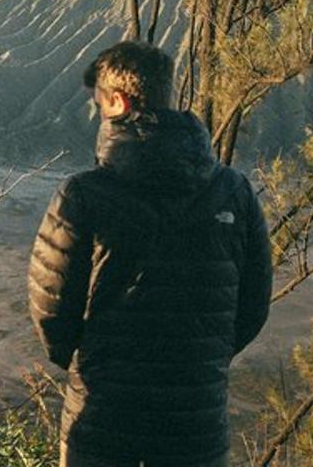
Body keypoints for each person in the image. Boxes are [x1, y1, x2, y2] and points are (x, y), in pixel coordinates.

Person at [27, 41, 273, 467]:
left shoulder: (83, 195)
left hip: (103, 421)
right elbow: (253, 307)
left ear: (118, 101)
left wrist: (88, 366)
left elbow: (50, 306)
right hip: (195, 427)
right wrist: (199, 359)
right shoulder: (234, 192)